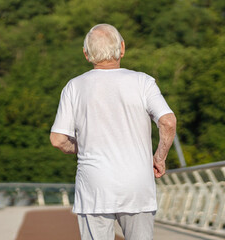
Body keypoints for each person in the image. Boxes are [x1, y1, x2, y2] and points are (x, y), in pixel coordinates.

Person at [50, 23, 176, 240]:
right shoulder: (143, 82)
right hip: (137, 184)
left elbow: (58, 139)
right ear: (122, 48)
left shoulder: (74, 87)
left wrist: (82, 147)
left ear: (86, 54)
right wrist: (159, 157)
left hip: (94, 185)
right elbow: (168, 122)